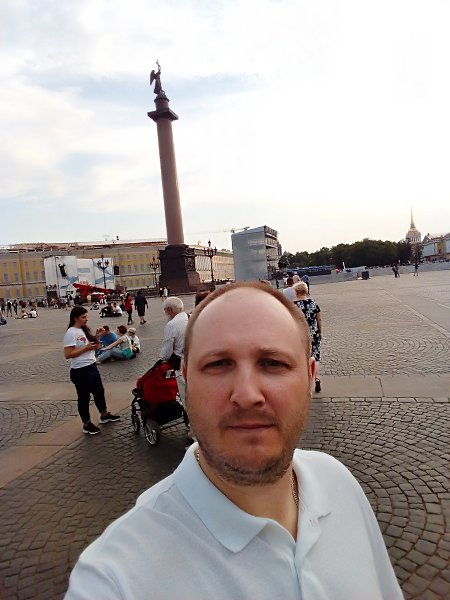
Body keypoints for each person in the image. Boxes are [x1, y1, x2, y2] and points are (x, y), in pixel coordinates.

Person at [65, 282, 402, 600]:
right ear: (186, 381)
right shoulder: (115, 578)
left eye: (273, 363)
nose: (246, 395)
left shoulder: (339, 482)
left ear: (310, 377)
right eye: (218, 364)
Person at [63, 306, 120, 435]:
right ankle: (86, 423)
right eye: (83, 317)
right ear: (75, 318)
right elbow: (68, 354)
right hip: (80, 370)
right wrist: (85, 348)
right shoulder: (71, 333)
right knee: (84, 397)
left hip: (91, 365)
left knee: (99, 391)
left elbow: (96, 347)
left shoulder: (84, 330)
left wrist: (97, 336)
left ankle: (104, 414)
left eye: (86, 316)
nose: (86, 319)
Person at [294, 281, 322, 393]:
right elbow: (319, 319)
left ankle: (306, 383)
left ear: (296, 292)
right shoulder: (313, 303)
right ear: (306, 291)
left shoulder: (293, 306)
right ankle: (317, 378)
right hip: (313, 333)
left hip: (300, 335)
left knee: (303, 358)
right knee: (316, 356)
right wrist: (320, 332)